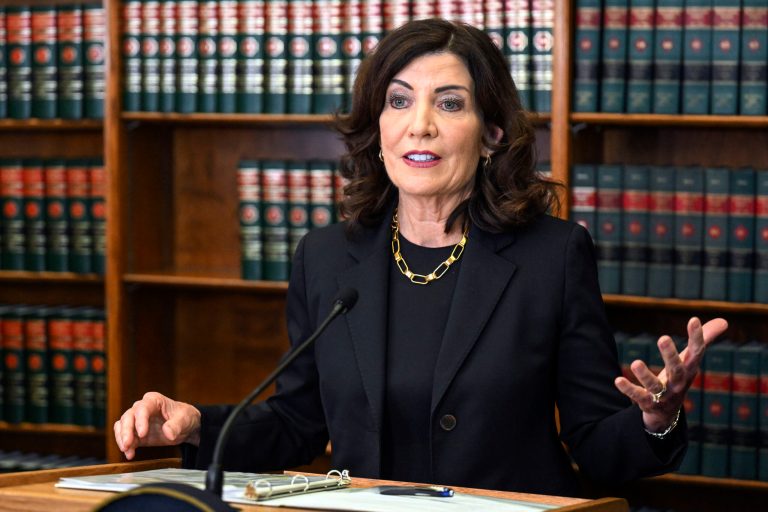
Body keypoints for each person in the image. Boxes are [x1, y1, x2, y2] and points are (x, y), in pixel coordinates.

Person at [114, 19, 728, 497]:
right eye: (400, 101)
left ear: (491, 134)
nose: (421, 126)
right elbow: (298, 423)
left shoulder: (553, 257)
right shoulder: (326, 259)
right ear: (376, 127)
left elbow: (595, 444)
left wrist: (655, 419)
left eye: (450, 103)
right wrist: (194, 424)